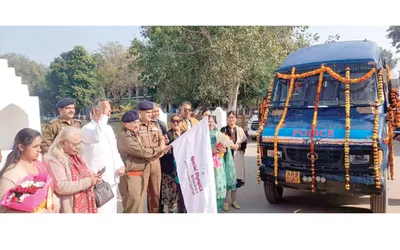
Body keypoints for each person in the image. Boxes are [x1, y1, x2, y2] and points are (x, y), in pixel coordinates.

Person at [117, 103, 169, 213]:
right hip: (141, 164)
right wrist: (159, 150)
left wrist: (160, 150)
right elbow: (141, 150)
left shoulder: (155, 124)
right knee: (139, 196)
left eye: (152, 112)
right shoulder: (134, 126)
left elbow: (162, 141)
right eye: (148, 112)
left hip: (155, 162)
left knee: (156, 194)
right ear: (140, 112)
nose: (151, 114)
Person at [80, 98, 125, 213]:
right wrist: (103, 116)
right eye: (106, 110)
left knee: (112, 212)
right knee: (102, 213)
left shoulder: (108, 128)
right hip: (99, 181)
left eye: (109, 111)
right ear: (96, 111)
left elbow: (114, 150)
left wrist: (120, 165)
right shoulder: (86, 129)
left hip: (113, 177)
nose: (109, 113)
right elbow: (96, 137)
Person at [0, 128, 59, 213]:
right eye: (35, 146)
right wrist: (36, 213)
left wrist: (55, 204)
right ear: (21, 147)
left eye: (40, 146)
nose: (39, 150)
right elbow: (4, 210)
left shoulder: (40, 166)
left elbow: (49, 192)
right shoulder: (10, 175)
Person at [45, 127, 102, 213]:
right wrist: (89, 181)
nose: (77, 147)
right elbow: (61, 187)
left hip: (87, 203)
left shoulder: (76, 155)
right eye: (73, 144)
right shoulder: (55, 159)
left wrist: (94, 177)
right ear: (62, 143)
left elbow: (84, 172)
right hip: (71, 207)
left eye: (79, 143)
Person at [208, 116, 236, 212]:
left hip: (219, 164)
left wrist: (224, 149)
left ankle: (218, 208)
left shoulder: (218, 133)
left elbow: (226, 146)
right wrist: (211, 150)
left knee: (219, 186)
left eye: (212, 121)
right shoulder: (202, 135)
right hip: (208, 164)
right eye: (208, 122)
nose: (211, 123)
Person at [220, 111, 248, 211]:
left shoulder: (240, 130)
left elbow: (244, 144)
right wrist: (229, 146)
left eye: (233, 117)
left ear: (236, 119)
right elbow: (220, 143)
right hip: (226, 157)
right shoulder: (223, 130)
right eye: (230, 117)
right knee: (227, 180)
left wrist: (238, 146)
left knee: (235, 180)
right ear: (227, 119)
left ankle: (234, 201)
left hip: (237, 158)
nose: (231, 119)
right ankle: (225, 202)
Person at [159, 114, 186, 213]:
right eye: (173, 121)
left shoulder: (186, 134)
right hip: (170, 171)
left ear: (181, 122)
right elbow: (164, 150)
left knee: (183, 198)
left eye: (178, 121)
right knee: (172, 200)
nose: (175, 123)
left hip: (183, 171)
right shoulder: (167, 135)